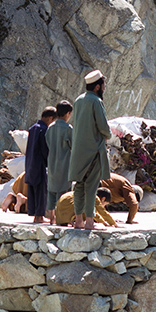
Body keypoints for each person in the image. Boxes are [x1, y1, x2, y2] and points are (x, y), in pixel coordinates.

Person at [69, 69, 111, 230]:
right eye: (103, 85)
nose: (104, 89)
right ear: (97, 87)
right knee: (91, 187)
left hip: (78, 152)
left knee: (79, 185)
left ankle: (78, 220)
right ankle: (90, 222)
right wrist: (107, 134)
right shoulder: (96, 102)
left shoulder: (78, 100)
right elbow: (103, 127)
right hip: (94, 150)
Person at [25, 106, 57, 224]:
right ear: (50, 118)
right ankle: (39, 216)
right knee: (41, 191)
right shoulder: (44, 130)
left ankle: (34, 214)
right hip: (40, 165)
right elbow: (44, 149)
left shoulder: (33, 128)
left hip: (30, 164)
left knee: (33, 190)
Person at [46, 100, 73, 225]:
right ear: (67, 113)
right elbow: (73, 145)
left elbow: (47, 143)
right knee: (63, 190)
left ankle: (51, 217)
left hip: (51, 161)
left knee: (51, 189)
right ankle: (60, 217)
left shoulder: (50, 127)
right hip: (64, 163)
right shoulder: (68, 128)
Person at [54, 188, 118, 227]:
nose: (104, 206)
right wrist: (113, 224)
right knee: (88, 211)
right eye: (105, 204)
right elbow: (102, 212)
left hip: (60, 217)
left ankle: (72, 221)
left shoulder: (82, 194)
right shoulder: (94, 197)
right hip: (70, 211)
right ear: (103, 199)